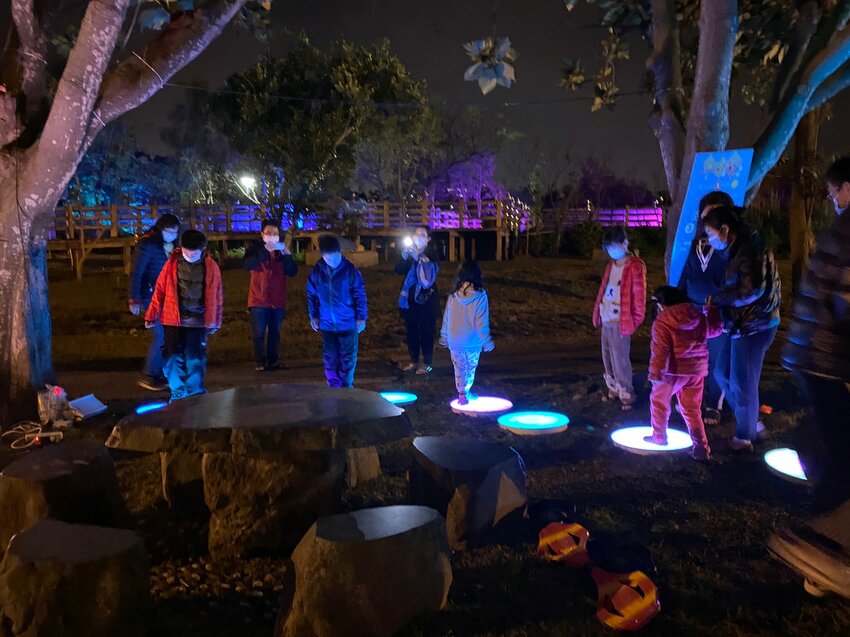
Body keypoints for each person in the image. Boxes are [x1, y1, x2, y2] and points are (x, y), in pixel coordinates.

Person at [768, 157, 850, 596]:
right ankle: (823, 550)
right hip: (828, 358)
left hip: (815, 354)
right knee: (841, 452)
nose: (834, 200)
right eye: (835, 193)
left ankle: (822, 550)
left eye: (833, 193)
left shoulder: (842, 229)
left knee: (834, 445)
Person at [702, 206, 781, 451]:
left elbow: (751, 290)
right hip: (740, 323)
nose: (710, 239)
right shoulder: (739, 248)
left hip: (755, 325)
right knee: (722, 374)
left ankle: (745, 437)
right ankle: (752, 420)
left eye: (711, 233)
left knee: (741, 382)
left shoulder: (751, 250)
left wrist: (720, 299)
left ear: (725, 230)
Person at [645, 286, 723, 460]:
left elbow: (661, 351)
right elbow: (715, 330)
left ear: (662, 305)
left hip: (672, 372)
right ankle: (701, 448)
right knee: (692, 409)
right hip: (696, 372)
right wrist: (711, 311)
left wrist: (656, 374)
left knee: (659, 402)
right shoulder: (698, 316)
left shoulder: (662, 321)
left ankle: (659, 436)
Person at [145, 229, 223, 402]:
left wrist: (215, 321)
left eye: (193, 252)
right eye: (186, 251)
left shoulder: (211, 267)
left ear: (202, 250)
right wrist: (151, 314)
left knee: (195, 358)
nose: (189, 255)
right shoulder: (172, 264)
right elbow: (160, 290)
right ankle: (178, 393)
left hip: (198, 321)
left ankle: (195, 393)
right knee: (173, 358)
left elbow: (217, 296)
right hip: (173, 319)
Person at [678, 190, 735, 425]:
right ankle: (692, 400)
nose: (708, 219)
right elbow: (687, 272)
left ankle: (714, 403)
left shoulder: (729, 246)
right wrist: (678, 299)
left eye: (714, 213)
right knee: (693, 357)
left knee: (716, 359)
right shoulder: (697, 244)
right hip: (692, 308)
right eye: (705, 214)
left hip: (717, 311)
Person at [592, 225, 647, 411]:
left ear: (624, 243)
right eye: (608, 248)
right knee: (607, 354)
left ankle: (626, 392)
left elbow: (639, 297)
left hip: (620, 320)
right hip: (606, 315)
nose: (612, 251)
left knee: (620, 358)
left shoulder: (635, 266)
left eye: (614, 246)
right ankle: (614, 386)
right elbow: (604, 288)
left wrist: (634, 319)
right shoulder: (611, 265)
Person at [306, 235, 368, 388]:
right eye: (329, 259)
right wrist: (313, 315)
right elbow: (312, 295)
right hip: (327, 325)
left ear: (340, 252)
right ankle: (333, 388)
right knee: (330, 359)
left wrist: (361, 317)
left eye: (335, 258)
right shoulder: (316, 272)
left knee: (348, 359)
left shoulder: (350, 271)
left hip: (347, 323)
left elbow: (359, 294)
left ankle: (346, 388)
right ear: (323, 256)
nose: (333, 262)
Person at [129, 213, 181, 391]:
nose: (172, 235)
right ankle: (149, 374)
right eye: (168, 232)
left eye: (175, 232)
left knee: (167, 333)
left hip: (168, 295)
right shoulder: (148, 244)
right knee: (160, 333)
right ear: (160, 229)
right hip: (150, 294)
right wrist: (134, 298)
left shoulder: (174, 246)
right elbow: (137, 272)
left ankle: (159, 373)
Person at [243, 220, 298, 371]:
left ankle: (273, 361)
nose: (272, 236)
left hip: (277, 299)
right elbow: (248, 265)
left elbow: (292, 272)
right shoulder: (255, 249)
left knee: (275, 332)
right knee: (259, 333)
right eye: (269, 233)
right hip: (258, 299)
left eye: (275, 233)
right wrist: (264, 251)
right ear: (262, 234)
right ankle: (260, 362)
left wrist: (287, 256)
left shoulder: (281, 251)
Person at [439, 260, 494, 405]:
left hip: (455, 339)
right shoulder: (480, 295)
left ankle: (463, 393)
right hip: (472, 341)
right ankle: (465, 392)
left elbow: (447, 316)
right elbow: (481, 321)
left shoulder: (453, 295)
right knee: (470, 368)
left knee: (459, 368)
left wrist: (444, 336)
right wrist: (486, 340)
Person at [395, 225, 440, 374]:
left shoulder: (431, 254)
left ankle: (427, 363)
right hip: (410, 300)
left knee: (426, 331)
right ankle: (414, 361)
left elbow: (428, 279)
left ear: (428, 239)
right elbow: (398, 270)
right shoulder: (410, 252)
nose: (418, 237)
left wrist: (418, 257)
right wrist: (404, 257)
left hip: (426, 300)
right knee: (411, 331)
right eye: (416, 234)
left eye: (422, 235)